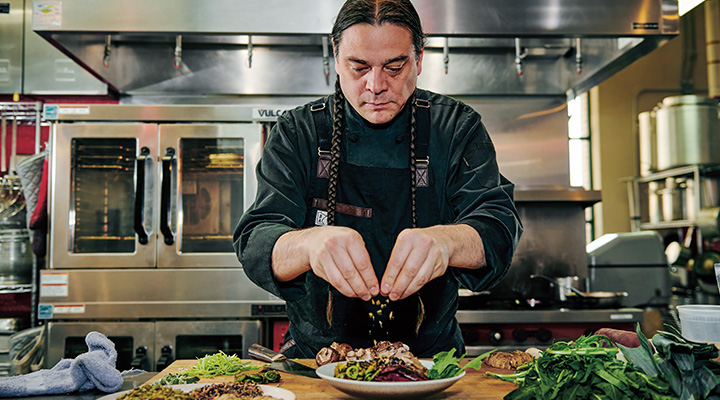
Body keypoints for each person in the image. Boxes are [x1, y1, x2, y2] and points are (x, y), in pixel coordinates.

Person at [233, 0, 522, 359]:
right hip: (318, 363)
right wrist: (309, 245)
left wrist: (448, 242)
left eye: (395, 66)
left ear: (418, 59)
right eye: (359, 67)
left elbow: (498, 228)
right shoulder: (299, 133)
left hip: (431, 364)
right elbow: (256, 238)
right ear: (336, 57)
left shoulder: (457, 129)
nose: (376, 85)